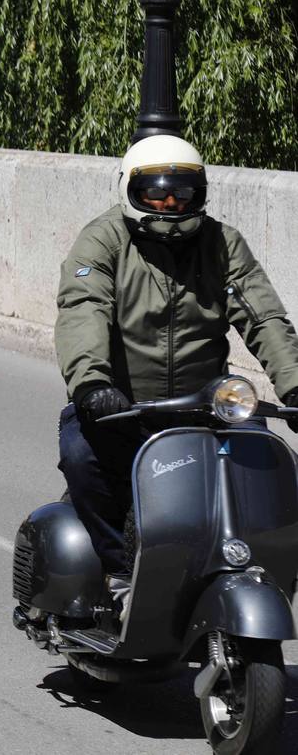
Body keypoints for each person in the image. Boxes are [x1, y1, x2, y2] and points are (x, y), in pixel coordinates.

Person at [55, 134, 298, 605]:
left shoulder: (221, 243)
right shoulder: (103, 240)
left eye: (182, 192)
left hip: (207, 405)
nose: (170, 201)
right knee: (83, 456)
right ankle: (119, 572)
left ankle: (259, 564)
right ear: (130, 189)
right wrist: (92, 383)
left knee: (267, 461)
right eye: (157, 192)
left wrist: (294, 385)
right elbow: (83, 310)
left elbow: (263, 316)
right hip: (123, 408)